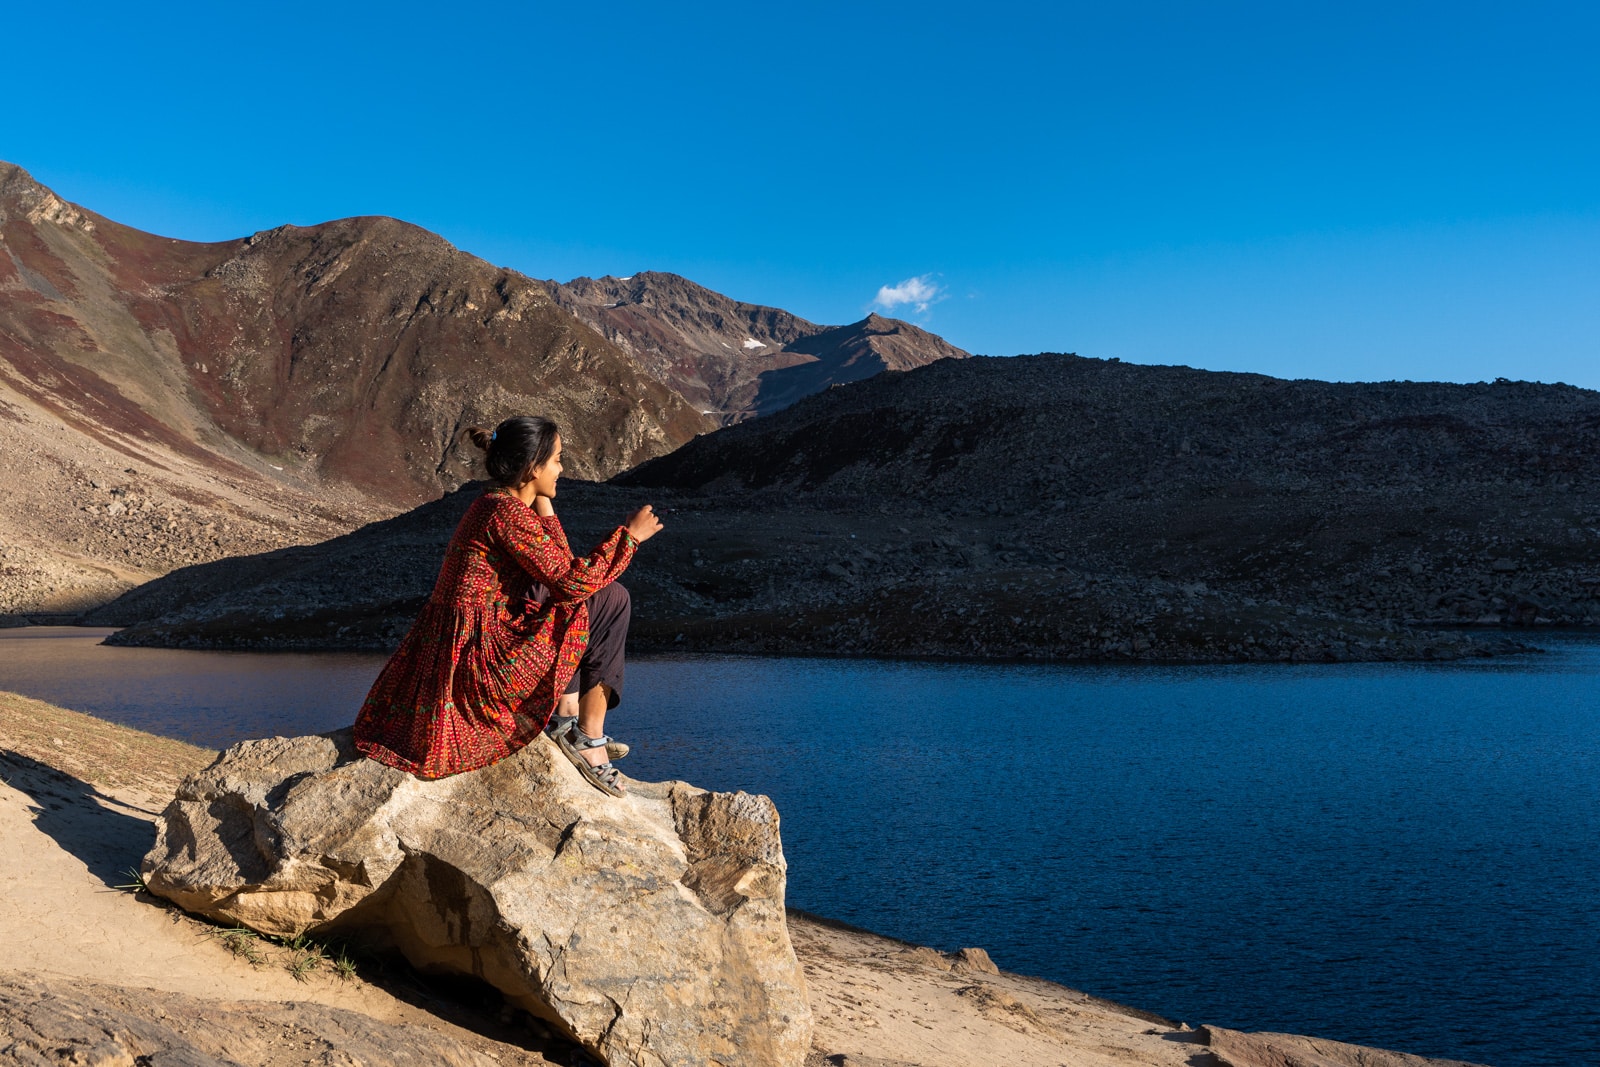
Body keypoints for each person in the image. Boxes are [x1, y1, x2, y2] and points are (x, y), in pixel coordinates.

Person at [352, 415, 663, 796]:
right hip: (479, 663)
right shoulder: (505, 513)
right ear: (533, 467)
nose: (562, 468)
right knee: (612, 600)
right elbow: (571, 581)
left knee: (567, 596)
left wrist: (543, 499)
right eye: (557, 459)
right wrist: (629, 538)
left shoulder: (498, 505)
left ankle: (565, 719)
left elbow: (558, 562)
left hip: (467, 651)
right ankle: (588, 738)